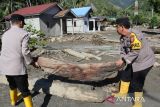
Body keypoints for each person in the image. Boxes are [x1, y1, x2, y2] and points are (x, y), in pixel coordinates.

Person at [111, 17, 155, 107]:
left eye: (117, 27)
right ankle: (122, 94)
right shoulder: (123, 37)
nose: (116, 29)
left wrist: (123, 60)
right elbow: (123, 50)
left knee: (137, 83)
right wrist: (123, 59)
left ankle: (138, 104)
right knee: (125, 75)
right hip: (134, 61)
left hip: (144, 62)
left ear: (122, 27)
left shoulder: (134, 35)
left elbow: (135, 52)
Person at [0, 14, 39, 107]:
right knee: (25, 91)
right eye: (23, 24)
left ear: (11, 22)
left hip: (5, 66)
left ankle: (13, 102)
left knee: (12, 85)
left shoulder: (5, 34)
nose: (23, 25)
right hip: (17, 67)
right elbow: (25, 52)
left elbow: (8, 48)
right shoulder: (24, 33)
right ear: (21, 22)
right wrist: (32, 63)